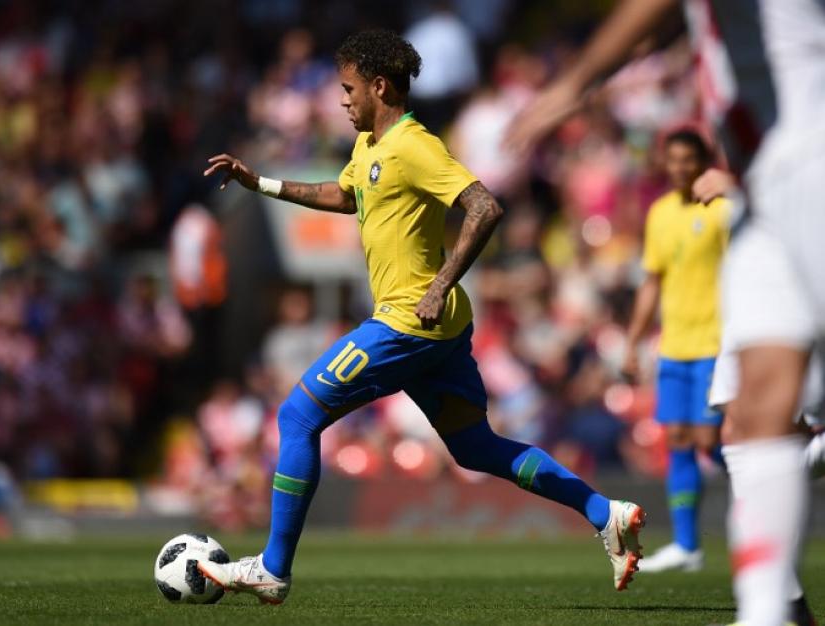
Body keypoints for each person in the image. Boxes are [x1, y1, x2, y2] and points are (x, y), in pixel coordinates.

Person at [198, 29, 645, 605]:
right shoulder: (368, 150)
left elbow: (484, 206)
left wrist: (439, 284)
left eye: (348, 88)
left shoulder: (414, 145)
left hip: (409, 321)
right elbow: (344, 195)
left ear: (379, 86)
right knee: (475, 447)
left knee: (298, 415)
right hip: (440, 329)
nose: (341, 100)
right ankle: (603, 512)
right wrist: (259, 181)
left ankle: (274, 568)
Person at [506, 1, 825, 623]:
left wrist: (574, 83)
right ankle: (769, 612)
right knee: (751, 417)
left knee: (759, 420)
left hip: (813, 166)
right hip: (764, 187)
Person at [621, 129, 729, 573]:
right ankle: (688, 545)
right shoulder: (661, 213)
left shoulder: (724, 209)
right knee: (679, 441)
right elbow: (653, 281)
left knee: (709, 440)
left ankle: (779, 482)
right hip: (676, 345)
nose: (681, 167)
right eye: (674, 159)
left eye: (690, 159)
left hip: (717, 341)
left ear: (705, 161)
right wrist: (632, 341)